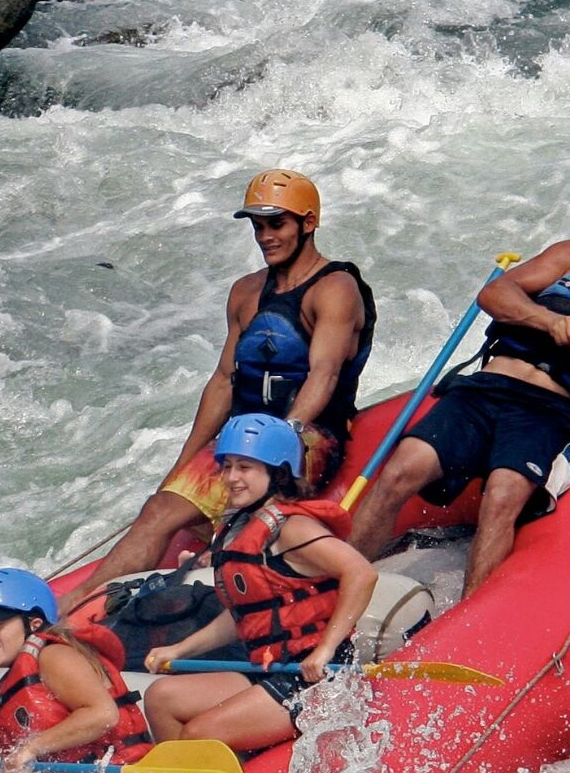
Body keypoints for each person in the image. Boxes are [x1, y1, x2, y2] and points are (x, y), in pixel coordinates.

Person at [346, 180, 570, 594]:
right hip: (485, 389)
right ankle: (335, 588)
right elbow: (495, 292)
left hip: (548, 413)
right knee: (401, 469)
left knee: (503, 496)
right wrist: (548, 321)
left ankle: (465, 629)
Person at [58, 169, 376, 614]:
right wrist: (184, 461)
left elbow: (321, 375)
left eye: (276, 224)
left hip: (308, 437)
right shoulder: (245, 292)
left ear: (308, 223)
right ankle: (73, 611)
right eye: (258, 226)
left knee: (242, 526)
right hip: (240, 435)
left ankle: (226, 558)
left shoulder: (336, 289)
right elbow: (225, 379)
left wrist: (279, 444)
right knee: (157, 510)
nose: (265, 236)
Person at [140, 415, 378, 752]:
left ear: (278, 473)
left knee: (199, 733)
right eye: (228, 467)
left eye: (245, 467)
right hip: (269, 666)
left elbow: (361, 573)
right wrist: (180, 649)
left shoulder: (293, 528)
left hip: (314, 675)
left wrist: (326, 648)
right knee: (161, 698)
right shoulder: (239, 527)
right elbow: (248, 615)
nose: (232, 477)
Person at [0, 568, 152, 772]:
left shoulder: (53, 656)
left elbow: (103, 714)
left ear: (34, 624)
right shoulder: (20, 674)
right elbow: (9, 750)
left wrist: (33, 747)